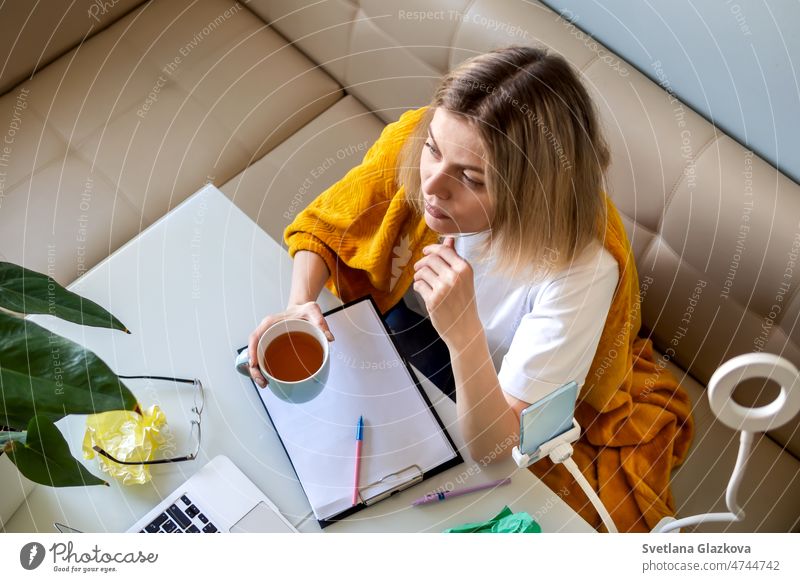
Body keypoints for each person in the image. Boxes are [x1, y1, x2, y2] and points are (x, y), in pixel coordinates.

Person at [247, 45, 693, 532]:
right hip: (406, 325)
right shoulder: (436, 139)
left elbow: (499, 448)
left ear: (530, 193)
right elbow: (327, 223)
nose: (432, 185)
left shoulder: (581, 270)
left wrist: (464, 333)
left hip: (485, 380)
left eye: (471, 179)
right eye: (433, 151)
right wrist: (300, 303)